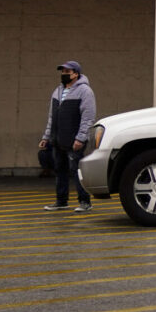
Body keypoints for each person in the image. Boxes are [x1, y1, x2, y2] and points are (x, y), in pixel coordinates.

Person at [39, 60, 96, 212]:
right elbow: (52, 117)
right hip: (57, 139)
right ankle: (61, 201)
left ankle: (85, 202)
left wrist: (80, 138)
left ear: (76, 74)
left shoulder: (85, 91)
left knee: (77, 171)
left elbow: (88, 117)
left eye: (67, 72)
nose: (64, 74)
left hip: (74, 140)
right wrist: (46, 137)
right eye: (62, 72)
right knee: (60, 170)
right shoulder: (57, 91)